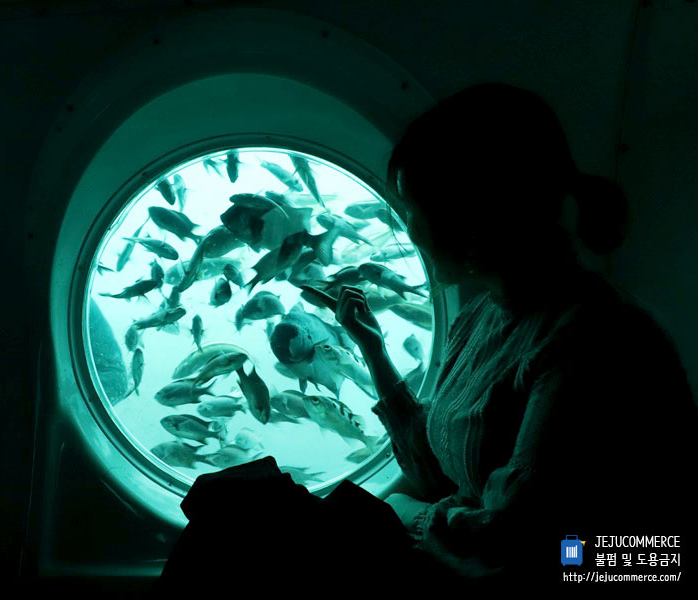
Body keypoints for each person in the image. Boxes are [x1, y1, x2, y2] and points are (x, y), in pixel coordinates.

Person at [154, 83, 697, 593]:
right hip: (461, 562)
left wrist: (402, 518)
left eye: (413, 209)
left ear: (473, 221)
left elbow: (545, 553)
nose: (408, 227)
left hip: (591, 575)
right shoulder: (483, 317)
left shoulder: (593, 341)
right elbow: (439, 472)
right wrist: (372, 349)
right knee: (232, 510)